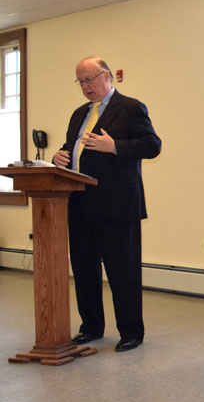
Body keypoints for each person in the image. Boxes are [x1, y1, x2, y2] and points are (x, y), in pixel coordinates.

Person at [53, 56, 162, 352]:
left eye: (89, 79)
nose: (85, 86)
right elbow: (72, 149)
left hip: (117, 205)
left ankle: (130, 332)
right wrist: (58, 158)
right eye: (80, 81)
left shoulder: (130, 107)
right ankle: (91, 327)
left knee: (122, 270)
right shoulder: (79, 113)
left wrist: (115, 146)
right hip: (79, 203)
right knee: (84, 269)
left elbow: (153, 145)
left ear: (106, 76)